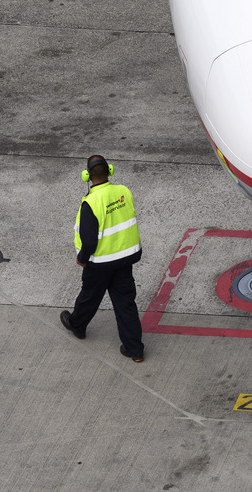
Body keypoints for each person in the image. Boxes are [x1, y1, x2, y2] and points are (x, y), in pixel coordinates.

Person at [60, 155, 145, 362]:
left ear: (87, 176)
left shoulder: (91, 202)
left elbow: (89, 241)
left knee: (89, 296)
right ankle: (135, 350)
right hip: (124, 259)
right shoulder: (124, 191)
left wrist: (82, 258)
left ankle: (78, 326)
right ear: (110, 171)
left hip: (99, 264)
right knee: (126, 304)